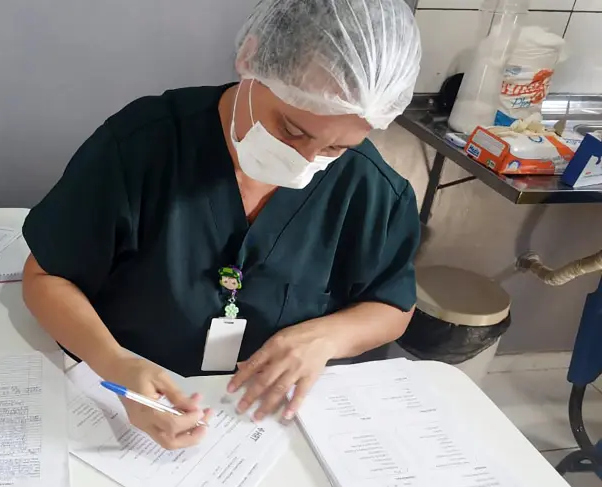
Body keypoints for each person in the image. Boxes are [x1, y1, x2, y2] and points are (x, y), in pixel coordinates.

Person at [23, 0, 422, 450]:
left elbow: (392, 306)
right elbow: (45, 277)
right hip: (119, 413)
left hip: (262, 432)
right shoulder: (142, 147)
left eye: (336, 148)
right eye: (292, 130)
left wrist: (328, 337)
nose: (306, 160)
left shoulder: (370, 188)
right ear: (254, 60)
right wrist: (115, 364)